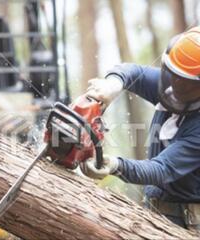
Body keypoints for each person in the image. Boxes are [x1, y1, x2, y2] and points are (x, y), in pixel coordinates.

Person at [81, 26, 200, 232]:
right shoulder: (174, 84)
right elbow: (133, 72)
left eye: (186, 84)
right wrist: (113, 85)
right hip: (156, 208)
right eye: (174, 77)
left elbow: (161, 169)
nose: (177, 86)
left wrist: (115, 165)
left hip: (187, 221)